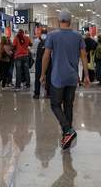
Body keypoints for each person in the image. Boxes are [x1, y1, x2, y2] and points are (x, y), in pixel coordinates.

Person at [40, 9, 90, 150]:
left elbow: (46, 56)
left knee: (55, 105)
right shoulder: (78, 36)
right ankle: (66, 137)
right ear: (70, 21)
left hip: (58, 77)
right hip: (72, 77)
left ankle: (68, 130)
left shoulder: (52, 36)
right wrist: (86, 75)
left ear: (58, 21)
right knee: (68, 105)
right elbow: (84, 56)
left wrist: (43, 74)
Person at [34, 29, 51, 99]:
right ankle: (48, 93)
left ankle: (37, 94)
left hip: (39, 61)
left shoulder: (36, 41)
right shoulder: (50, 41)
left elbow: (34, 51)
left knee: (38, 77)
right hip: (48, 61)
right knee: (49, 76)